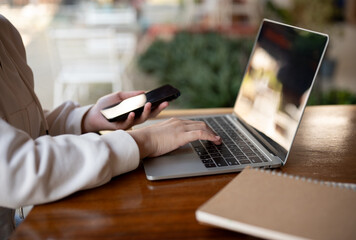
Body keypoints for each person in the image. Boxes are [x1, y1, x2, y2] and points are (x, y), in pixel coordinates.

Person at [0, 14, 221, 239]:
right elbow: (14, 170)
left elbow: (25, 130)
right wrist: (147, 141)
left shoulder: (4, 30)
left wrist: (86, 119)